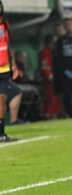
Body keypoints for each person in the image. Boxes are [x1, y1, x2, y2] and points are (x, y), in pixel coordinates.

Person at [0, 0, 18, 142]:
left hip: (4, 69)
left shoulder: (4, 24)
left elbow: (8, 44)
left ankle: (1, 133)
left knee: (2, 99)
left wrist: (13, 64)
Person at [39, 34, 60, 120]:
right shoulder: (45, 52)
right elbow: (45, 68)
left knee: (55, 100)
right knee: (50, 100)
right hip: (49, 81)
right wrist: (50, 76)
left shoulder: (51, 52)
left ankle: (53, 117)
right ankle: (48, 118)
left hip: (53, 80)